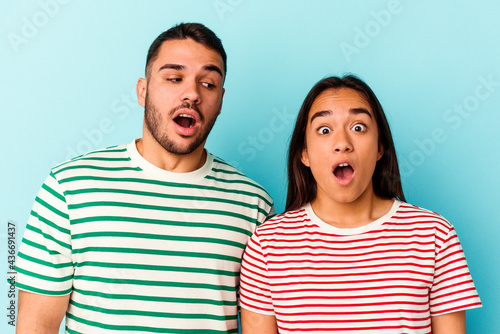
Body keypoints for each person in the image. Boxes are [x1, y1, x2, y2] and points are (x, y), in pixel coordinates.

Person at [14, 22, 275, 333]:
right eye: (174, 78)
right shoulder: (70, 187)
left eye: (207, 84)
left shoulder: (253, 205)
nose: (191, 93)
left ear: (220, 101)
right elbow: (36, 326)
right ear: (143, 90)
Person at [239, 75, 481, 333]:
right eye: (324, 129)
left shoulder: (434, 236)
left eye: (358, 127)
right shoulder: (267, 245)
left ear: (380, 148)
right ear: (305, 154)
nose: (342, 143)